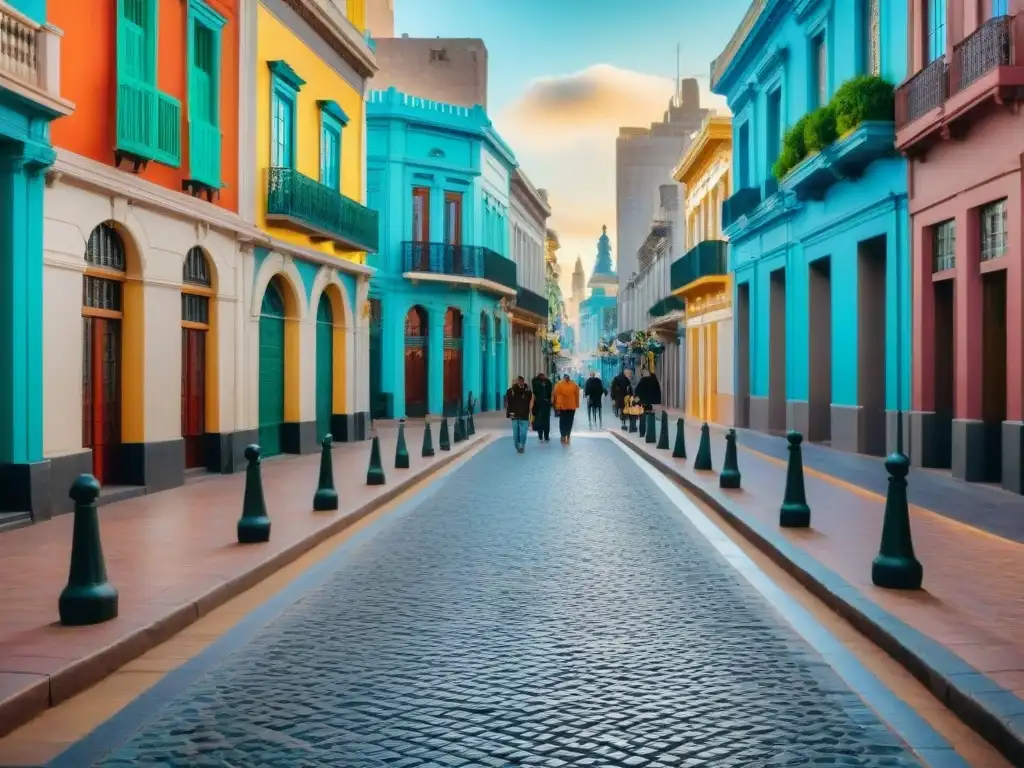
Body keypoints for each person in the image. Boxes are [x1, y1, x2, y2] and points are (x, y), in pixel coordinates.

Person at [505, 376, 534, 454]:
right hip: (514, 414)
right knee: (516, 432)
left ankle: (521, 445)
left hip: (524, 414)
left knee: (523, 431)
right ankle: (517, 445)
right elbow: (508, 403)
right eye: (518, 381)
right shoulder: (510, 391)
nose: (520, 383)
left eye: (521, 381)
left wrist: (531, 413)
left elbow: (531, 402)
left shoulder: (527, 391)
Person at [552, 373, 580, 444]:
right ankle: (567, 435)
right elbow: (577, 395)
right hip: (571, 407)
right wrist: (576, 404)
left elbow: (556, 396)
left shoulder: (558, 385)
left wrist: (556, 406)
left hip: (563, 407)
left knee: (563, 422)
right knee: (569, 422)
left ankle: (563, 435)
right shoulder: (574, 385)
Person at [530, 371, 553, 442]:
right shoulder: (536, 383)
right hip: (539, 405)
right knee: (540, 420)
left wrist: (551, 402)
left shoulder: (548, 383)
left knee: (545, 421)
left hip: (545, 404)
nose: (542, 379)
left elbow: (551, 393)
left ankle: (545, 435)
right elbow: (534, 393)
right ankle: (541, 435)